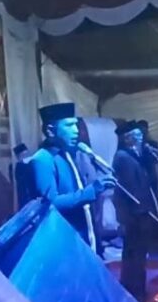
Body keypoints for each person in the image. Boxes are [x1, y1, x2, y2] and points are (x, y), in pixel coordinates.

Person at [30, 103, 113, 252]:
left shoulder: (68, 154)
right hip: (63, 240)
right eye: (69, 126)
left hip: (82, 236)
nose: (76, 131)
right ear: (50, 130)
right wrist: (90, 191)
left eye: (76, 125)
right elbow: (50, 204)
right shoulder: (43, 159)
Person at [113, 120, 158, 302]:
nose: (141, 137)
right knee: (133, 254)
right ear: (127, 138)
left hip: (142, 211)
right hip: (134, 215)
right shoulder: (123, 157)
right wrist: (141, 210)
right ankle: (132, 289)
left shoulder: (137, 154)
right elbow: (130, 189)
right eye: (136, 135)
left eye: (140, 134)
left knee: (140, 254)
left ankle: (137, 287)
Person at [137, 120, 158, 203]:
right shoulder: (135, 145)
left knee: (154, 198)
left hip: (151, 173)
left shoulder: (152, 144)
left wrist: (152, 149)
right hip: (139, 175)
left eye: (144, 130)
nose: (143, 133)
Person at [12, 143, 34, 210]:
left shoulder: (30, 163)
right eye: (23, 155)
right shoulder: (20, 166)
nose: (26, 156)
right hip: (25, 195)